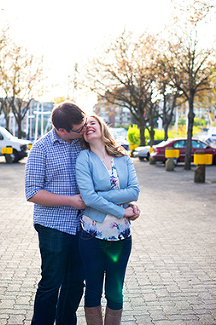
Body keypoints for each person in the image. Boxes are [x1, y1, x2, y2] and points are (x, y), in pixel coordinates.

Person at [24, 100, 88, 325]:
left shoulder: (83, 143)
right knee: (51, 282)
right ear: (62, 130)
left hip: (82, 226)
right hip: (53, 226)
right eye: (78, 129)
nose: (83, 131)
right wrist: (70, 201)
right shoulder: (40, 149)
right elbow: (32, 192)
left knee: (75, 283)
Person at [75, 114, 139, 325]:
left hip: (121, 237)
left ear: (102, 126)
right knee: (92, 290)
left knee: (115, 292)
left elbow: (134, 192)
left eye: (92, 123)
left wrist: (96, 196)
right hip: (91, 236)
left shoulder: (123, 156)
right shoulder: (84, 158)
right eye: (84, 126)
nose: (89, 127)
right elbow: (88, 197)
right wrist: (121, 211)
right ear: (82, 135)